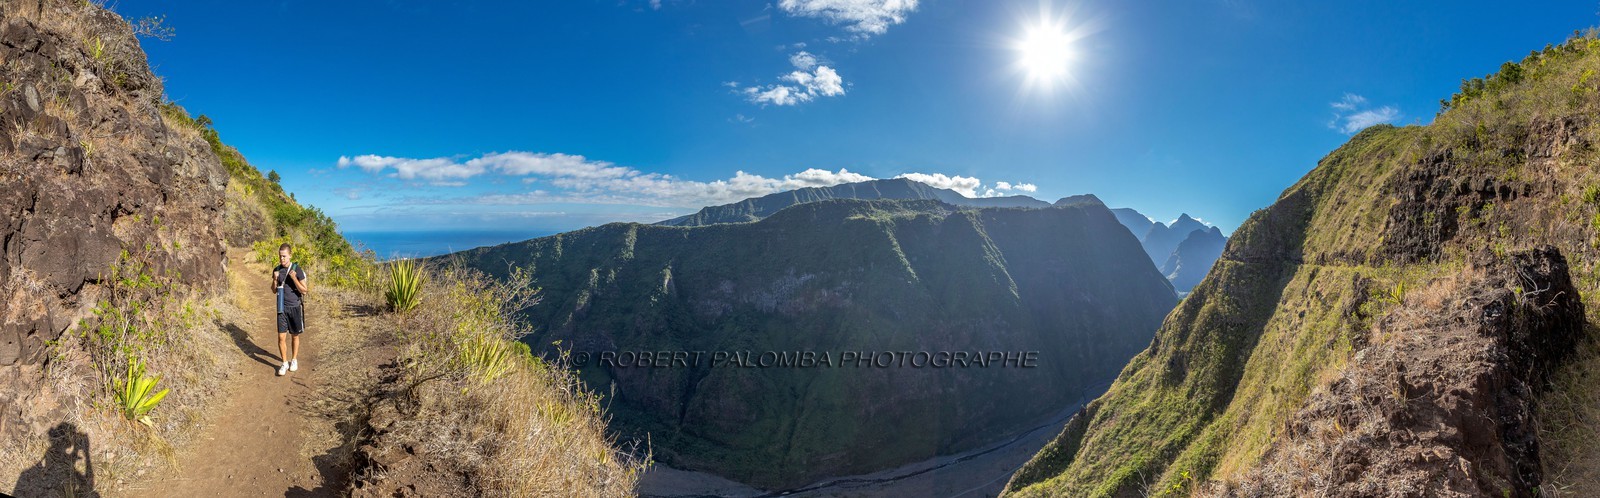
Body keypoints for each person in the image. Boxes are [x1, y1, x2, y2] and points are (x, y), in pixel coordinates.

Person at [271, 243, 310, 376]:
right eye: (280, 256)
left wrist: (294, 278)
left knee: (294, 335)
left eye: (284, 256)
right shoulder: (276, 269)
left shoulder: (297, 269)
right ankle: (284, 362)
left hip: (294, 307)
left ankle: (294, 360)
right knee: (281, 337)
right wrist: (275, 280)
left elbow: (304, 290)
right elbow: (273, 290)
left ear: (290, 255)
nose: (282, 259)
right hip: (281, 308)